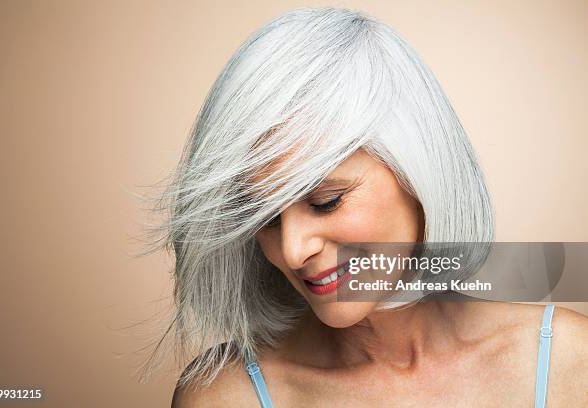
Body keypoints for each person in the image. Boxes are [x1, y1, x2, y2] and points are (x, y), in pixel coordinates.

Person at [147, 7, 588, 407]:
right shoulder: (229, 397)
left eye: (325, 202)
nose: (293, 250)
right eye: (262, 218)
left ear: (417, 174)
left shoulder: (567, 360)